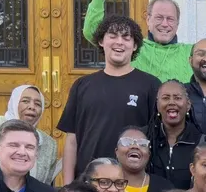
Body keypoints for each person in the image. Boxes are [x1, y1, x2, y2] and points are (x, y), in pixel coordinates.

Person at [59, 15, 160, 183]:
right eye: (112, 36)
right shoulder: (82, 85)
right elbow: (71, 141)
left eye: (126, 38)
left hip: (132, 182)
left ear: (135, 46)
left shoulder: (150, 85)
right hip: (89, 181)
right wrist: (68, 185)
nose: (119, 42)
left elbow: (156, 139)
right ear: (101, 41)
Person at [145, 81, 204, 190]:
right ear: (157, 105)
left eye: (177, 98)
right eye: (166, 98)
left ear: (188, 105)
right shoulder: (144, 139)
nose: (171, 102)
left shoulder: (202, 142)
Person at [115, 126, 175, 192]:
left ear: (148, 154)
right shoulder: (103, 185)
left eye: (142, 144)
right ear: (116, 152)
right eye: (127, 142)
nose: (135, 146)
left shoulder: (165, 189)